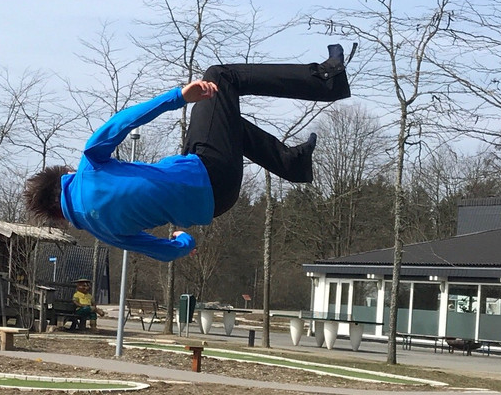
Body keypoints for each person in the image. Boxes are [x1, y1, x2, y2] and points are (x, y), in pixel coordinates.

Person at [23, 46, 353, 261]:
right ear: (63, 177)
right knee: (219, 78)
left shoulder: (106, 233)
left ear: (60, 215)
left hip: (217, 201)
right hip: (208, 172)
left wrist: (185, 241)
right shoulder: (88, 166)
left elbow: (166, 252)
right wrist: (179, 97)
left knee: (226, 120)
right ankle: (326, 81)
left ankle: (293, 163)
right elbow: (125, 120)